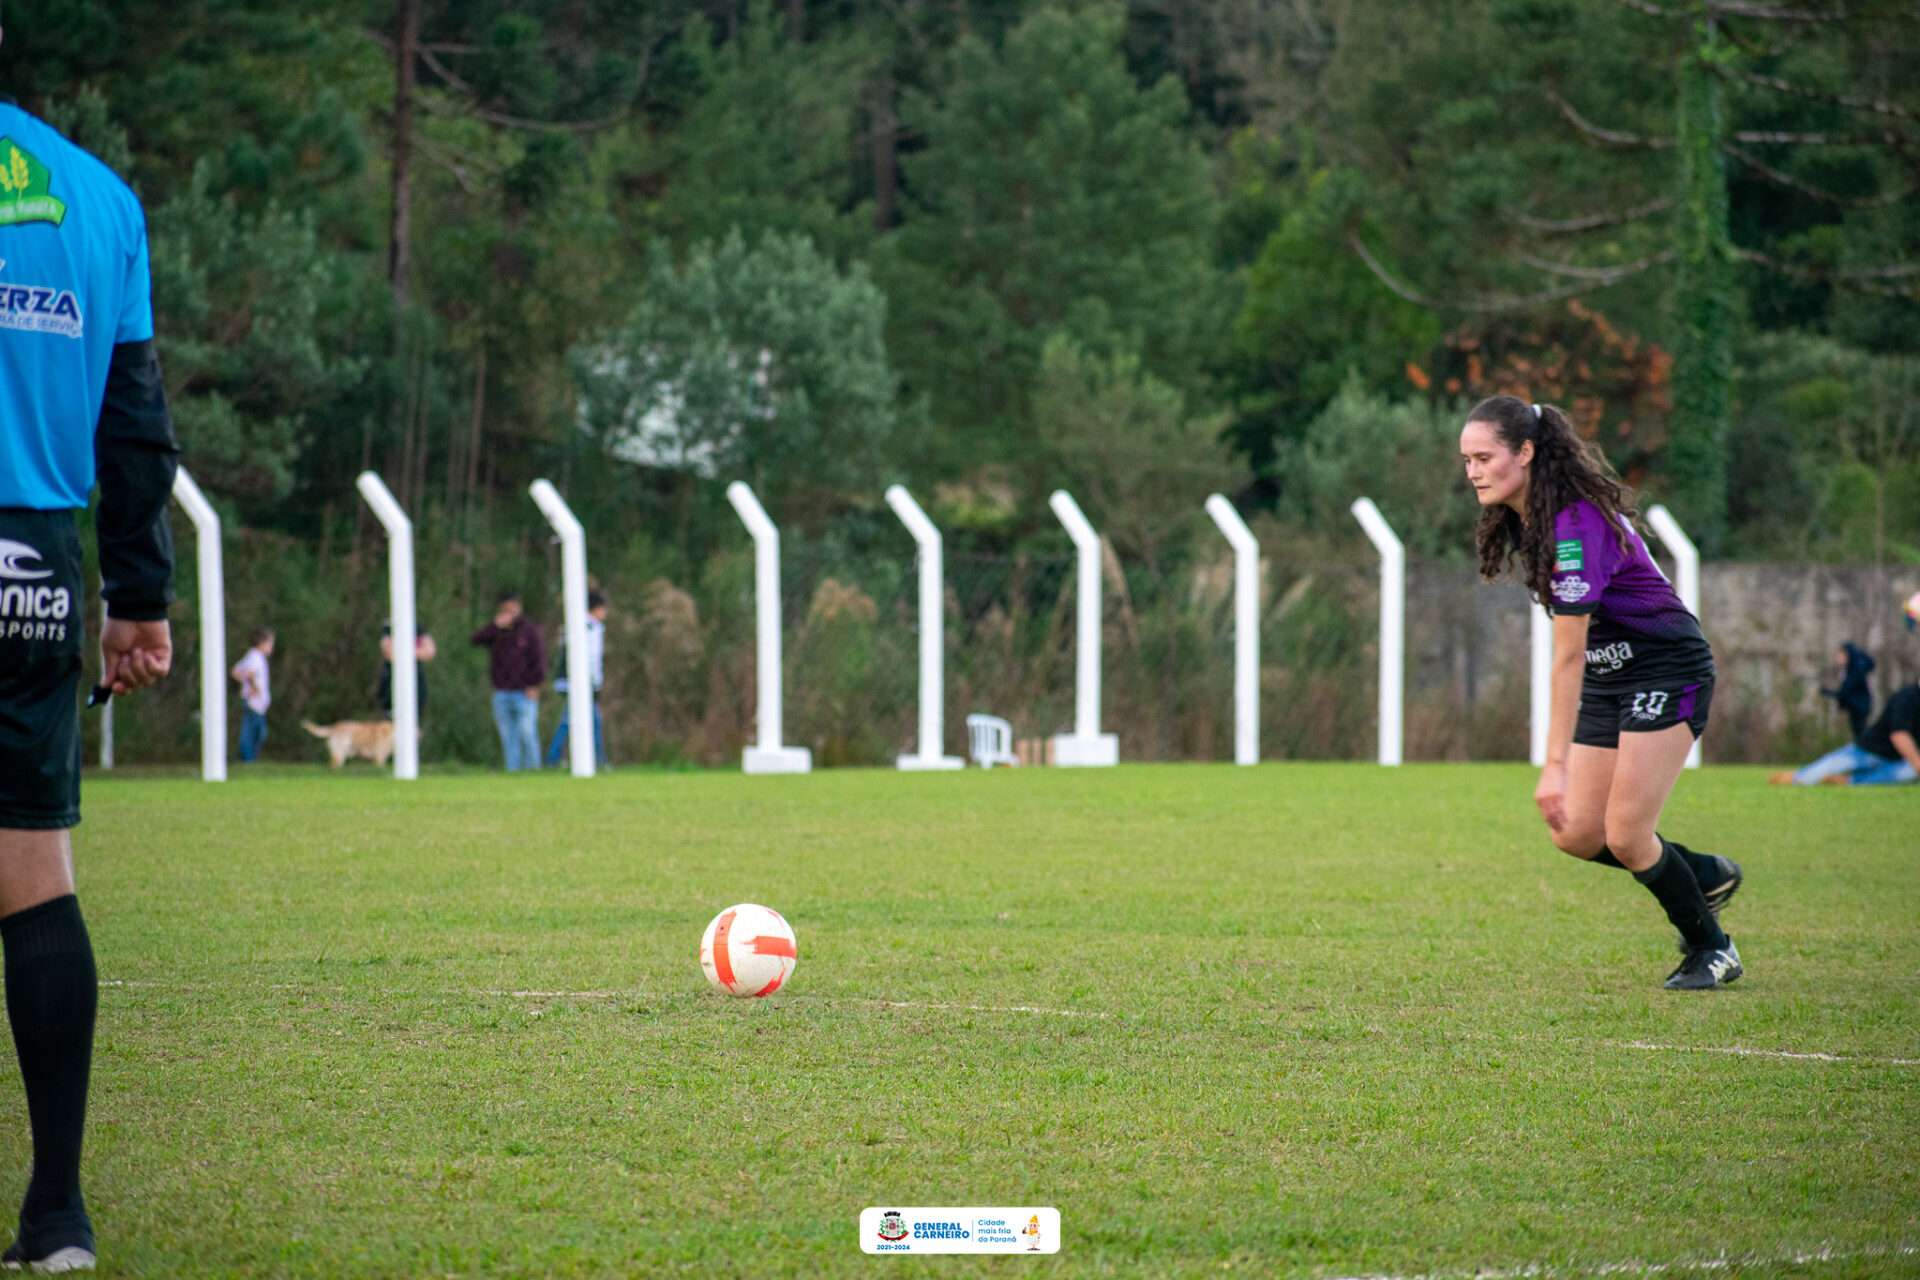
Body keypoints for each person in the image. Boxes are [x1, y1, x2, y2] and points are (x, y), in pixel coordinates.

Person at [0, 61, 180, 1270]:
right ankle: (57, 1213)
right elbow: (135, 422)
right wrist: (141, 599)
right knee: (34, 869)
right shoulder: (99, 196)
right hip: (37, 557)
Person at [1463, 396, 1743, 990]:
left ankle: (1713, 949)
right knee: (1577, 834)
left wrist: (1553, 764)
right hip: (1610, 676)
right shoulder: (1528, 518)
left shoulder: (1574, 524)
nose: (1474, 471)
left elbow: (1566, 653)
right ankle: (1701, 874)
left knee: (1626, 833)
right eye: (1467, 461)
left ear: (1527, 451)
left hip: (1667, 670)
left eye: (1485, 457)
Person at [1772, 678, 1919, 786]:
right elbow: (1899, 735)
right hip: (1867, 751)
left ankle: (1848, 781)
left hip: (1898, 761)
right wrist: (1917, 763)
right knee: (1820, 771)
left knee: (1909, 773)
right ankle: (1795, 778)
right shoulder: (1906, 697)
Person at [470, 590, 545, 771]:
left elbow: (540, 659)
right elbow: (475, 640)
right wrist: (494, 626)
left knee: (527, 732)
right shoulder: (497, 631)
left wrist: (534, 684)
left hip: (524, 691)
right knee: (508, 736)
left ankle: (533, 770)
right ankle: (513, 771)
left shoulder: (529, 630)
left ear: (519, 607)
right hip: (502, 692)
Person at [545, 591, 608, 768]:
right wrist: (595, 684)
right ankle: (556, 759)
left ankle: (558, 758)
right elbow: (590, 659)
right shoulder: (588, 627)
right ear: (596, 609)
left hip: (573, 682)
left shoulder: (577, 623)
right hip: (578, 683)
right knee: (576, 720)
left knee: (579, 719)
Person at [376, 622, 436, 722]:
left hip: (417, 688)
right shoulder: (389, 627)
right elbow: (389, 653)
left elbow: (430, 651)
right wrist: (417, 649)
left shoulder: (416, 626)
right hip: (391, 687)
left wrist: (401, 649)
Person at [230, 627, 274, 762]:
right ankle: (248, 760)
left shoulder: (251, 655)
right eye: (270, 644)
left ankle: (248, 758)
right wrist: (255, 688)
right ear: (261, 643)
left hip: (253, 702)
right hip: (253, 702)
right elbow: (249, 673)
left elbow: (235, 671)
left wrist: (243, 681)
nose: (271, 647)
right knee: (254, 734)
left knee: (256, 732)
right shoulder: (256, 657)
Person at [1818, 641, 1875, 741]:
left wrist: (1825, 691)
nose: (1838, 657)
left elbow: (1843, 692)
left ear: (1847, 655)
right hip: (1857, 707)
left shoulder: (1855, 671)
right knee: (1860, 734)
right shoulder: (1851, 669)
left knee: (1861, 736)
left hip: (1859, 707)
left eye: (1841, 654)